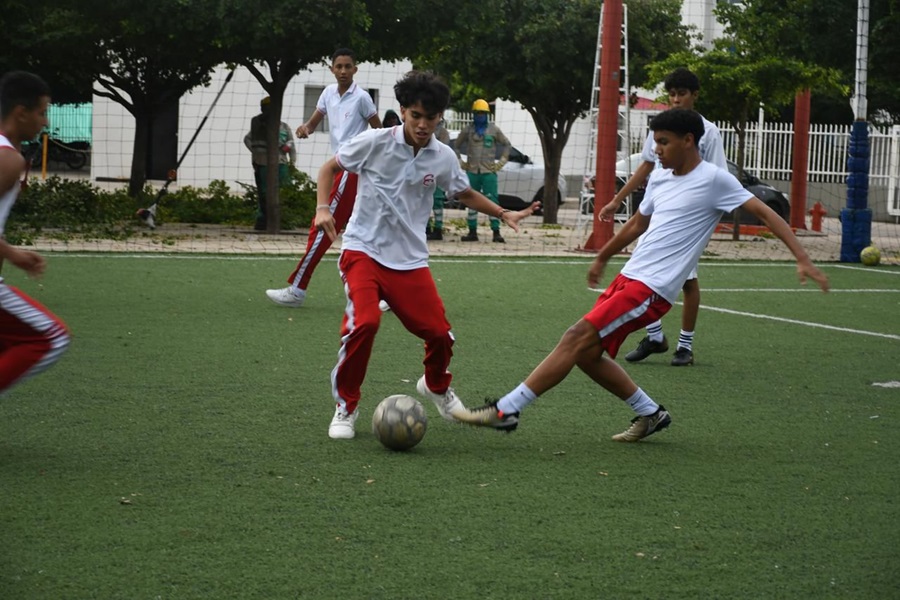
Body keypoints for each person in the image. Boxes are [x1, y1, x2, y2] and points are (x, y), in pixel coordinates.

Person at [455, 108, 829, 441]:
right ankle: (651, 413)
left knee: (576, 336)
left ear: (688, 141)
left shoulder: (715, 179)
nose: (657, 150)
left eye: (663, 143)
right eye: (654, 143)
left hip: (653, 289)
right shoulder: (662, 178)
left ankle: (506, 410)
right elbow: (638, 223)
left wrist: (802, 257)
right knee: (587, 355)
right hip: (630, 276)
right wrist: (603, 257)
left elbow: (766, 213)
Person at [315, 70, 537, 440]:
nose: (422, 125)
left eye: (430, 118)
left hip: (409, 260)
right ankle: (346, 406)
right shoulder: (373, 142)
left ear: (439, 118)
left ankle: (434, 385)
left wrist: (502, 212)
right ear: (403, 111)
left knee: (440, 335)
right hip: (363, 251)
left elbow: (464, 193)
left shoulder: (443, 156)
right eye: (415, 116)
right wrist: (323, 207)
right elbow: (329, 168)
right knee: (364, 324)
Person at [600, 67, 726, 367]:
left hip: (685, 217)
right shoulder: (660, 127)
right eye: (671, 94)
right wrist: (617, 200)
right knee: (640, 272)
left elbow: (717, 176)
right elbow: (645, 166)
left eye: (682, 93)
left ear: (694, 95)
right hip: (656, 208)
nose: (676, 99)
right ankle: (655, 336)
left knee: (687, 281)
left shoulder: (709, 131)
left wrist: (705, 217)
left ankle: (685, 345)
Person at [265, 48, 382, 307]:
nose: (342, 71)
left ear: (355, 69)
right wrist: (306, 128)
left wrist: (372, 158)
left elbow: (379, 131)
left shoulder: (362, 98)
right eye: (338, 66)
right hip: (338, 167)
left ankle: (297, 289)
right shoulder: (328, 93)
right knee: (361, 232)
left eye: (347, 66)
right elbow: (315, 121)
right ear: (331, 69)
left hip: (352, 169)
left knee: (323, 226)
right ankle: (379, 294)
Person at [0, 71, 70, 395]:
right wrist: (12, 253)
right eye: (42, 112)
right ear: (20, 112)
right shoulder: (8, 159)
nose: (45, 122)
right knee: (51, 336)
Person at [454, 99, 510, 243]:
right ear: (473, 114)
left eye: (482, 113)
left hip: (488, 173)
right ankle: (472, 231)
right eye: (477, 113)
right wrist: (461, 162)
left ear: (487, 114)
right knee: (471, 201)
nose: (480, 115)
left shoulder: (494, 130)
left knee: (493, 200)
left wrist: (500, 163)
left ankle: (496, 232)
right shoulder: (468, 130)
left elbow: (507, 145)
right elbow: (456, 146)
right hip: (472, 171)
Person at [244, 96, 296, 231]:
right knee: (264, 191)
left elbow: (291, 142)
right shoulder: (257, 122)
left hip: (281, 162)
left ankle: (285, 218)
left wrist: (292, 160)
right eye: (266, 109)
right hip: (262, 162)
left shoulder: (284, 126)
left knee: (285, 188)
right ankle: (263, 219)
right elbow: (248, 139)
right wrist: (256, 152)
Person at [426, 118, 451, 241]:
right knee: (424, 201)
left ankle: (438, 228)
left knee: (437, 201)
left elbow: (441, 150)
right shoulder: (425, 131)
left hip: (438, 170)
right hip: (425, 170)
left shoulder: (444, 133)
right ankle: (426, 227)